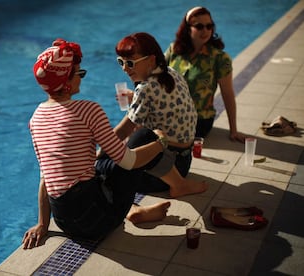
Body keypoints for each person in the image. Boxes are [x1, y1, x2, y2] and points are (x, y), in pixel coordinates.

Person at [22, 38, 207, 249]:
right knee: (142, 140)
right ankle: (151, 198)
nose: (81, 79)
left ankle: (135, 210)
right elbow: (129, 162)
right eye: (79, 74)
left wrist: (42, 224)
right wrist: (160, 141)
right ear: (66, 81)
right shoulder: (88, 110)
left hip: (65, 222)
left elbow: (45, 176)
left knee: (104, 160)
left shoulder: (36, 118)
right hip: (98, 220)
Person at [111, 32, 197, 190]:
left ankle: (179, 186)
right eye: (121, 62)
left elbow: (122, 131)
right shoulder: (170, 72)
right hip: (184, 162)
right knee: (134, 137)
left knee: (112, 169)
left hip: (163, 171)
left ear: (151, 59)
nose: (124, 68)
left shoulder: (146, 89)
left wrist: (97, 154)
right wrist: (135, 97)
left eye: (130, 63)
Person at [164, 6, 246, 142]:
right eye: (199, 26)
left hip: (199, 120)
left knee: (151, 136)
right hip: (170, 114)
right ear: (187, 28)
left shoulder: (219, 58)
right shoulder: (174, 50)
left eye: (209, 26)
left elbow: (228, 94)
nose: (205, 31)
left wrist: (234, 130)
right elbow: (156, 76)